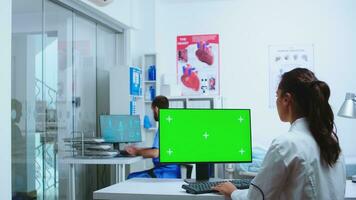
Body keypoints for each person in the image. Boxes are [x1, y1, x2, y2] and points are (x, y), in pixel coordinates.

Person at [213, 68, 346, 200]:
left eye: (277, 96)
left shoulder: (286, 144)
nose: (276, 101)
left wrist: (233, 191)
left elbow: (256, 198)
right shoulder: (331, 141)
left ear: (286, 99)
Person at [126, 95, 181, 178]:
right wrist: (139, 149)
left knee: (131, 177)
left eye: (152, 110)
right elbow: (159, 149)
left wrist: (136, 152)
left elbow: (155, 153)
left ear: (156, 108)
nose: (153, 113)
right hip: (171, 171)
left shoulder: (164, 126)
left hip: (163, 173)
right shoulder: (171, 125)